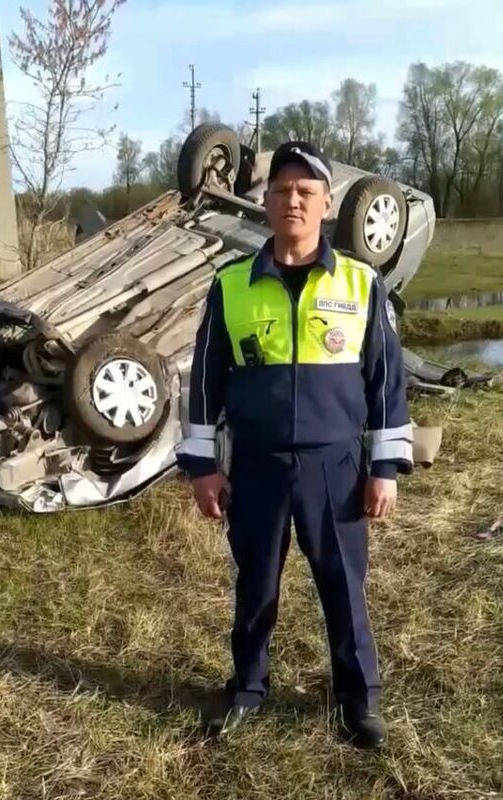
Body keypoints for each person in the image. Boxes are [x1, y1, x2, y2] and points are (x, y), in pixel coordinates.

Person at [175, 140, 413, 749]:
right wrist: (204, 467)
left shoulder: (363, 284)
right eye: (281, 191)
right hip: (255, 466)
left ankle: (359, 700)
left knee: (342, 584)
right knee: (255, 584)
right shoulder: (231, 286)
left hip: (336, 467)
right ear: (265, 201)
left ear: (327, 205)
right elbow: (203, 382)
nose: (292, 202)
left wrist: (384, 466)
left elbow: (386, 382)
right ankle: (248, 688)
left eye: (306, 192)